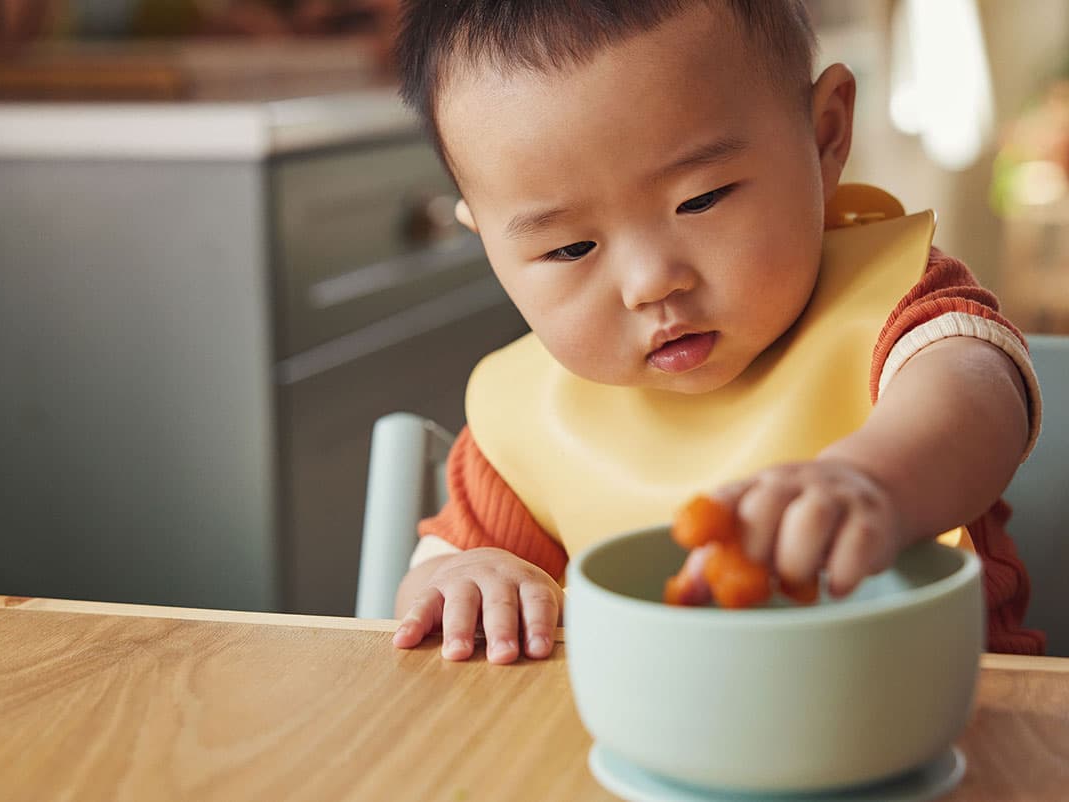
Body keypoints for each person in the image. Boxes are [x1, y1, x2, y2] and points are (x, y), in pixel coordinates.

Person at [388, 0, 1046, 663]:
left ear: (825, 135)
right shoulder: (525, 420)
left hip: (942, 721)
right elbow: (442, 571)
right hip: (648, 747)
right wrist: (463, 581)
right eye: (569, 248)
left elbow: (979, 400)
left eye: (700, 200)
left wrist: (874, 481)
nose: (651, 282)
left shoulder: (897, 315)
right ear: (491, 249)